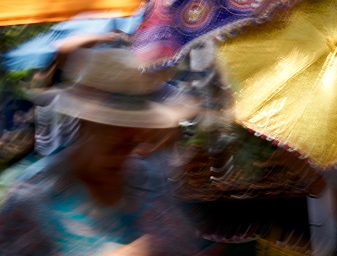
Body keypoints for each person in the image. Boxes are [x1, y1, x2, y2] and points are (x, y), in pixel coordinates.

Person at [0, 48, 212, 256]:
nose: (127, 141)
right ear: (84, 121)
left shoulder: (149, 179)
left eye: (136, 128)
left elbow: (184, 244)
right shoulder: (35, 194)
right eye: (114, 127)